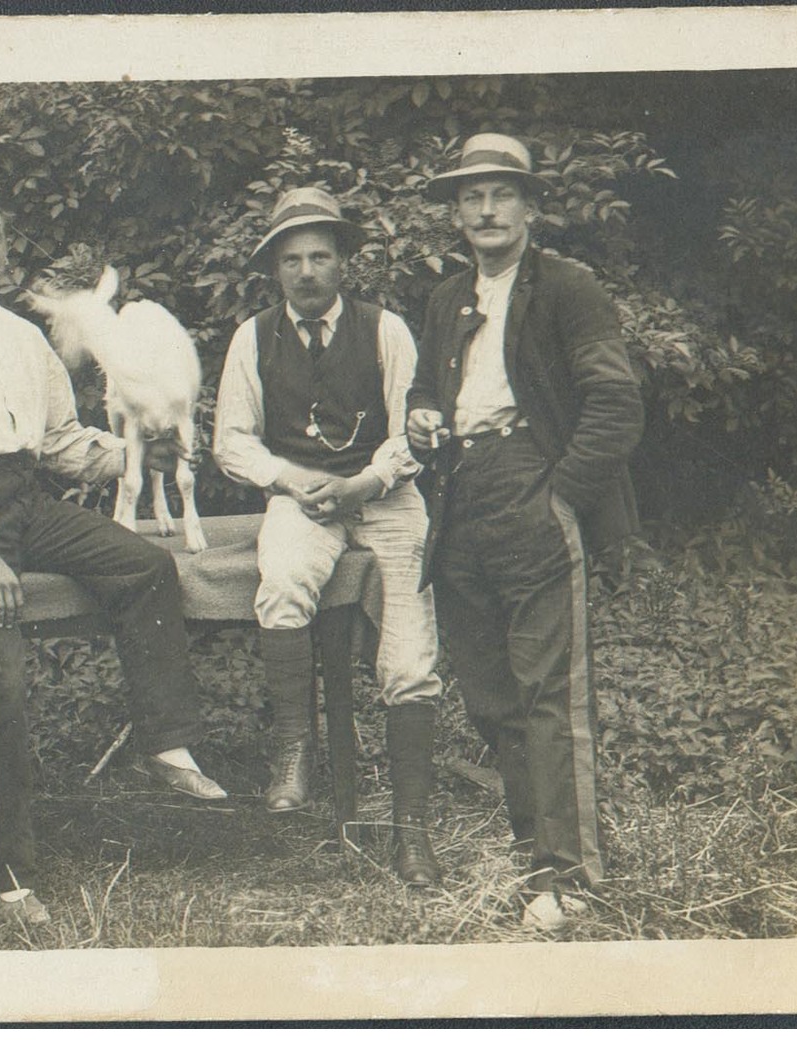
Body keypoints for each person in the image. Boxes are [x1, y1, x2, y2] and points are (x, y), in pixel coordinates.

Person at [0, 190, 227, 923]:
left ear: (8, 251)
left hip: (28, 501)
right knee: (3, 682)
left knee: (143, 565)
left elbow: (64, 442)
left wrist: (133, 450)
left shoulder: (23, 339)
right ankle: (8, 876)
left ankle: (165, 745)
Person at [406, 134, 644, 930]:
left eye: (500, 193)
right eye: (470, 196)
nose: (484, 209)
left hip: (533, 491)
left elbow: (614, 403)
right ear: (455, 213)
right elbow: (424, 391)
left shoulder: (567, 289)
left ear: (530, 206)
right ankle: (529, 851)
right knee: (489, 696)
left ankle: (570, 876)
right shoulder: (446, 300)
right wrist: (422, 417)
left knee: (551, 694)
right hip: (460, 502)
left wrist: (562, 500)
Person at [214, 187, 445, 885]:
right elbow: (230, 440)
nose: (307, 272)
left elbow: (417, 430)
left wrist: (368, 482)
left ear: (342, 262)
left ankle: (411, 833)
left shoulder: (385, 330)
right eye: (292, 260)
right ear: (274, 270)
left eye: (319, 256)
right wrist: (290, 480)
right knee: (281, 583)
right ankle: (293, 748)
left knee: (408, 664)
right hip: (304, 498)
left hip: (385, 496)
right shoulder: (252, 337)